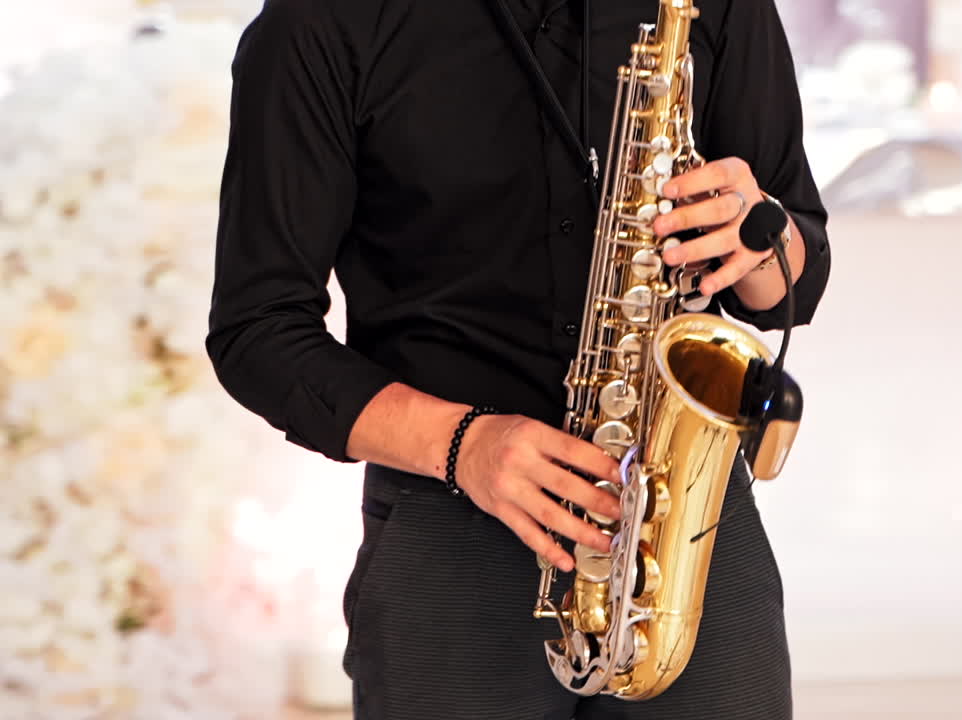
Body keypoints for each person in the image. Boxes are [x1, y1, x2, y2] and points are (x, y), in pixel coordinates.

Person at [206, 0, 831, 717]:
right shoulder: (321, 22)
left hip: (684, 523)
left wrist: (759, 239)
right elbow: (256, 331)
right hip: (448, 541)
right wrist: (463, 444)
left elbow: (794, 270)